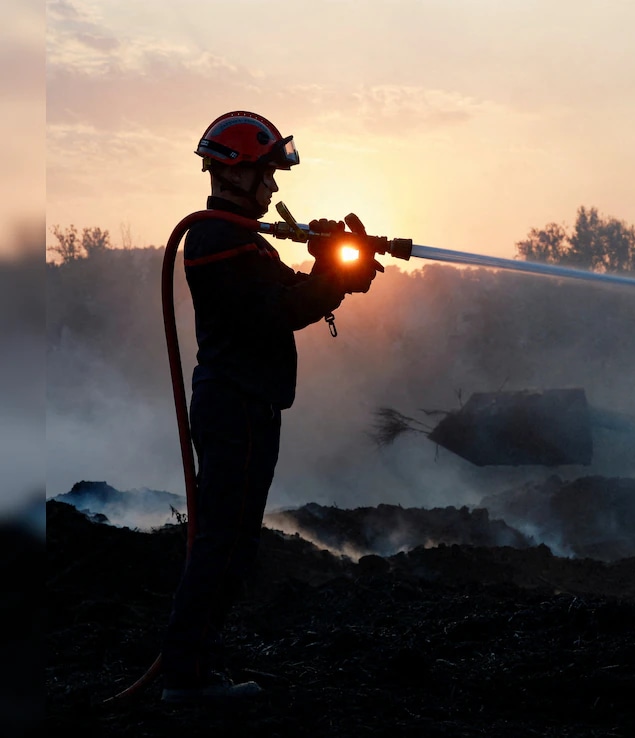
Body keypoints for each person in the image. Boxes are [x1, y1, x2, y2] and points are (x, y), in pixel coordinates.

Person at [160, 111, 382, 703]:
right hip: (235, 404)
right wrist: (335, 276)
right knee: (224, 542)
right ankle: (186, 677)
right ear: (238, 173)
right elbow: (279, 312)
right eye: (268, 173)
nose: (275, 186)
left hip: (246, 402)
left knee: (232, 541)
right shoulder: (219, 241)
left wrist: (332, 264)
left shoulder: (241, 240)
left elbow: (290, 291)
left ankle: (194, 665)